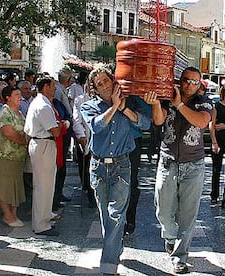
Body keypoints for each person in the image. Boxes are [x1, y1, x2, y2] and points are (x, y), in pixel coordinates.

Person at [81, 66, 150, 275]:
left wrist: (123, 109)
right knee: (105, 215)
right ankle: (115, 245)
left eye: (105, 80)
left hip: (122, 166)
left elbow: (145, 123)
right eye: (99, 83)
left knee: (115, 215)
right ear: (94, 88)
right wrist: (114, 108)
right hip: (98, 167)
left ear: (113, 80)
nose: (103, 86)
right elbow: (97, 126)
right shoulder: (89, 106)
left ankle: (108, 266)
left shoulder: (130, 103)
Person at [144, 67, 212, 274]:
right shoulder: (168, 97)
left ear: (199, 83)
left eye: (194, 81)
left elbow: (201, 121)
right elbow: (158, 120)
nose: (190, 85)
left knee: (188, 215)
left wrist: (179, 104)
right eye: (186, 80)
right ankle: (170, 237)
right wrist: (156, 103)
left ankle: (180, 257)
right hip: (168, 161)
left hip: (194, 164)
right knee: (163, 210)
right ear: (180, 81)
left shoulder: (205, 101)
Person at [24, 77, 61, 236]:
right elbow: (55, 131)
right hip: (43, 144)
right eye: (53, 86)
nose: (55, 89)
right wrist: (62, 124)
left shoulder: (39, 102)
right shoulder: (43, 105)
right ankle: (41, 224)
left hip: (41, 144)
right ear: (45, 87)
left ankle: (45, 216)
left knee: (46, 185)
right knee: (43, 186)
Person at [0, 86, 29, 227]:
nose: (20, 97)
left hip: (17, 156)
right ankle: (7, 215)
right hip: (4, 155)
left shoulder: (19, 113)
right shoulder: (5, 112)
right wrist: (23, 141)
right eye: (16, 94)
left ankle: (14, 214)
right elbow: (7, 131)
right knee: (4, 186)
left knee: (15, 185)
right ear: (8, 97)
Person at [124, 95, 151, 235]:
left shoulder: (136, 97)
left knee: (131, 183)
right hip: (111, 144)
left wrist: (126, 110)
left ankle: (129, 220)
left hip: (132, 142)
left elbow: (146, 123)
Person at [72, 79, 96, 208]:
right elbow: (76, 120)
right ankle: (90, 194)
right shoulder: (80, 100)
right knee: (87, 168)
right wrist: (81, 136)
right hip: (86, 138)